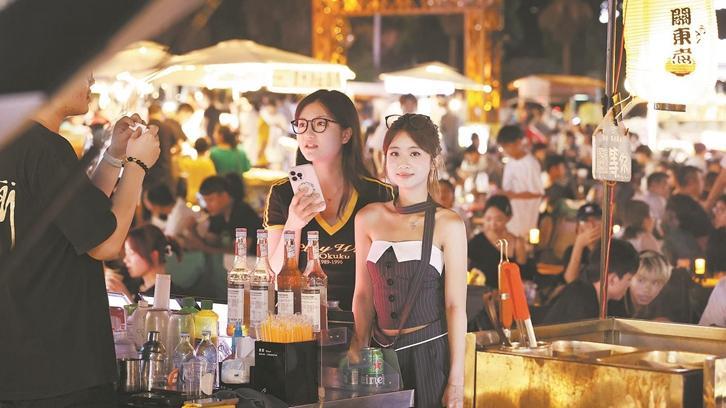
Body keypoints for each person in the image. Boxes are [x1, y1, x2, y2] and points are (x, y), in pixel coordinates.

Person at [0, 73, 160, 405]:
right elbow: (105, 243)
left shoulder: (13, 140)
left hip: (17, 358)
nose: (92, 82)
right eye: (85, 72)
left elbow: (82, 219)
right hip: (59, 363)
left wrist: (114, 156)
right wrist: (137, 166)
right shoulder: (46, 147)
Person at [350, 113, 467, 408]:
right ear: (384, 159)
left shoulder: (448, 223)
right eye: (395, 153)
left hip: (430, 354)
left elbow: (455, 306)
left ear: (433, 161)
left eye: (415, 153)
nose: (403, 162)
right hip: (379, 357)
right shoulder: (368, 218)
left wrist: (456, 380)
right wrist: (358, 344)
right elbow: (363, 293)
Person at [264, 90, 393, 311]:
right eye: (302, 124)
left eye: (320, 124)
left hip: (362, 319)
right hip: (299, 319)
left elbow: (391, 273)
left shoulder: (379, 195)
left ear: (346, 134)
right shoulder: (283, 193)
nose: (307, 133)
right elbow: (275, 276)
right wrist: (294, 224)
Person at [542, 239, 639, 324]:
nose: (629, 285)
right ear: (612, 279)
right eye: (629, 279)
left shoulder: (609, 302)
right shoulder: (580, 301)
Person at [106, 224, 183, 302]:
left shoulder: (171, 297)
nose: (125, 260)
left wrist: (127, 299)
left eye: (131, 253)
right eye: (126, 253)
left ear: (153, 256)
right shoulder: (132, 284)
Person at [189, 174, 262, 255]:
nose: (207, 206)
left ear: (225, 195)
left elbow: (241, 252)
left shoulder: (243, 213)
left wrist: (203, 247)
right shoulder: (217, 215)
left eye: (211, 200)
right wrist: (192, 231)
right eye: (205, 201)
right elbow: (210, 242)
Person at [467, 195, 527, 289]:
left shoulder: (517, 243)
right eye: (488, 219)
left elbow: (523, 275)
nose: (493, 224)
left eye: (498, 219)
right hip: (481, 293)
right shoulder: (476, 242)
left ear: (508, 218)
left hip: (508, 293)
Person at [496, 125, 544, 239]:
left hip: (526, 218)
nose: (505, 151)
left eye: (506, 146)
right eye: (503, 147)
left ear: (518, 142)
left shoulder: (530, 164)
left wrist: (513, 195)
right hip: (511, 218)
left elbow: (538, 193)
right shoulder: (510, 162)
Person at [562, 203, 602, 283]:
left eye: (596, 220)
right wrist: (579, 245)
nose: (591, 225)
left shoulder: (611, 249)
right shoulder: (571, 251)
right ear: (578, 228)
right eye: (585, 221)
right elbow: (570, 281)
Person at [146, 102, 176, 192]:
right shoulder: (167, 128)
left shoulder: (145, 128)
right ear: (160, 113)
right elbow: (177, 146)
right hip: (165, 170)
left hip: (148, 172)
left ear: (149, 114)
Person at [179, 137, 217, 205]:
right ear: (207, 149)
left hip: (189, 197)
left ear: (195, 148)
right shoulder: (208, 163)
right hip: (203, 198)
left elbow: (179, 160)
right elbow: (213, 180)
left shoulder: (188, 163)